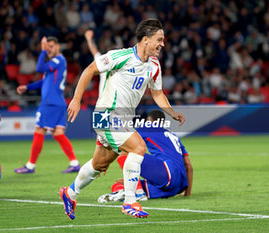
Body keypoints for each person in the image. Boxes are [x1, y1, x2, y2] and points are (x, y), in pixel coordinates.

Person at [60, 19, 186, 219]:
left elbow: (158, 94)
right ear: (145, 40)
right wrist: (76, 100)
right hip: (107, 114)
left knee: (99, 164)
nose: (162, 44)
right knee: (138, 147)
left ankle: (70, 192)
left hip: (123, 119)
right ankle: (130, 201)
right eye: (159, 40)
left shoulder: (154, 65)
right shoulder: (121, 56)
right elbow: (89, 70)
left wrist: (171, 112)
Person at [14, 36, 80, 174]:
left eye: (51, 47)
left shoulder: (58, 59)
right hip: (58, 102)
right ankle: (74, 163)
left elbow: (39, 68)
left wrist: (43, 51)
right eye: (47, 46)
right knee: (58, 133)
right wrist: (27, 87)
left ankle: (30, 166)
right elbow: (43, 82)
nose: (48, 49)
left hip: (50, 102)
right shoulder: (53, 65)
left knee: (39, 130)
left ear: (57, 47)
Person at [97, 110, 193, 202]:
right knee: (118, 185)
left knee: (126, 154)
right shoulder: (174, 136)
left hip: (167, 172)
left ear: (148, 120)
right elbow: (188, 166)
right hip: (177, 185)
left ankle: (139, 192)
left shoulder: (147, 127)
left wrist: (105, 162)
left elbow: (124, 142)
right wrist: (187, 193)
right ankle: (131, 191)